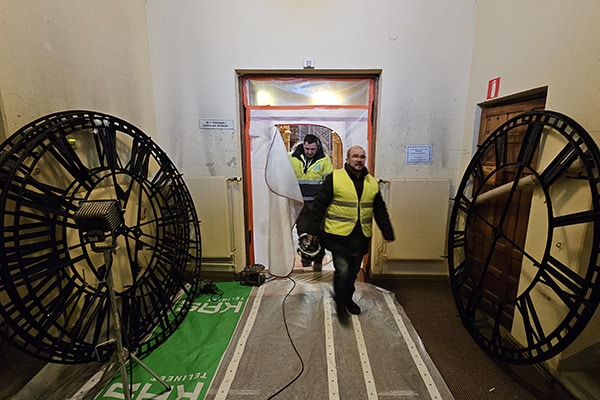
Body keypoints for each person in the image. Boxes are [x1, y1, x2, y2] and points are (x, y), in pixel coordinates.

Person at [304, 145, 395, 318]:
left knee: (352, 273)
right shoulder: (335, 178)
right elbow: (319, 205)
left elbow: (379, 209)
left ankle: (346, 298)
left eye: (362, 157)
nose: (359, 160)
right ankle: (341, 303)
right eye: (355, 156)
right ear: (347, 159)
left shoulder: (372, 183)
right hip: (338, 237)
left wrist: (387, 231)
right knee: (343, 271)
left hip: (360, 238)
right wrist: (312, 230)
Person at [290, 134, 334, 271]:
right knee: (303, 233)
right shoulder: (292, 158)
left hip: (317, 205)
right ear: (303, 146)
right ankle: (306, 262)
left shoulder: (324, 160)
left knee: (319, 233)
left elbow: (329, 183)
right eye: (307, 149)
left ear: (317, 147)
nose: (309, 152)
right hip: (300, 203)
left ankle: (318, 262)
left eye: (313, 149)